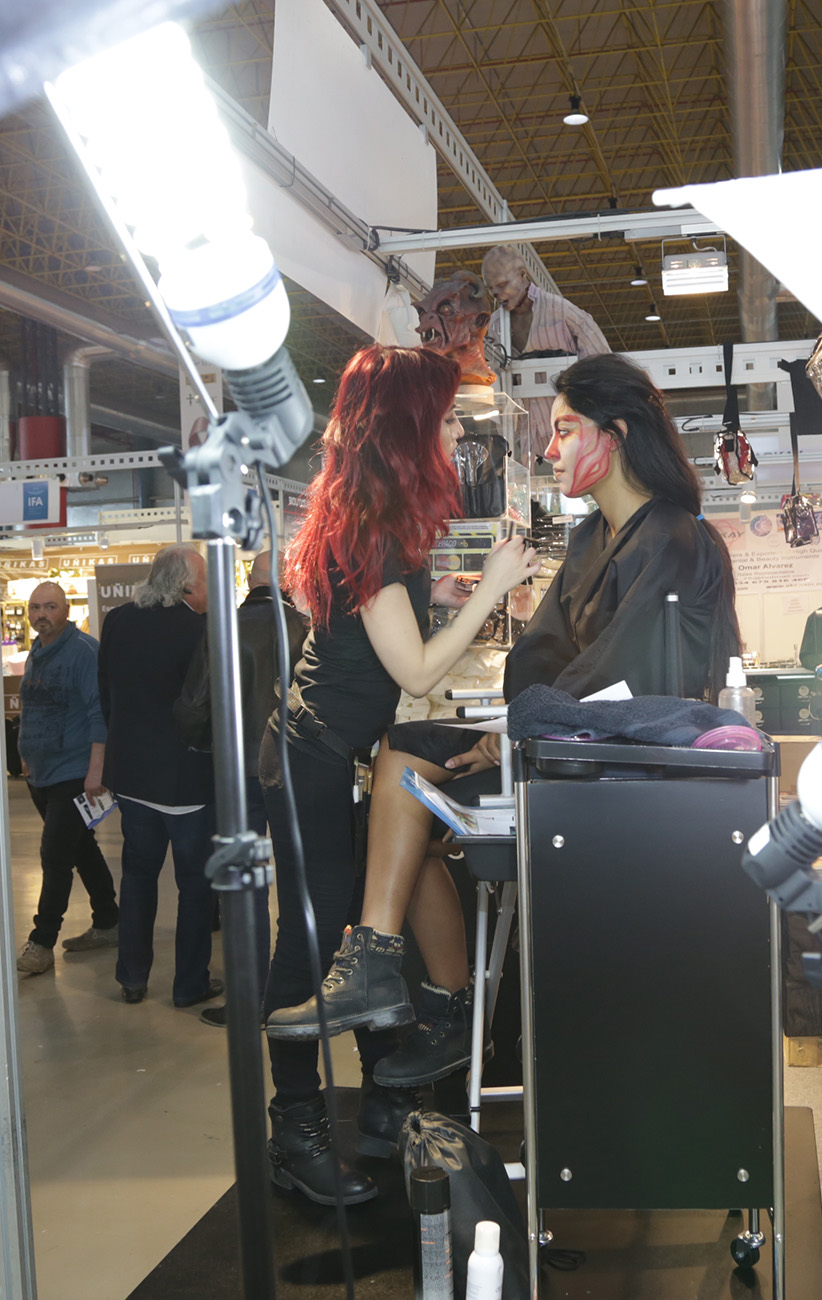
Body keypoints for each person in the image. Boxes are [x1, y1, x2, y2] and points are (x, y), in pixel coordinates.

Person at [268, 351, 738, 1095]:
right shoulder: (585, 540)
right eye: (447, 420)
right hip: (526, 740)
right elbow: (540, 656)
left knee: (400, 785)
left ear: (614, 435)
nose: (548, 450)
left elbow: (626, 677)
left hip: (621, 765)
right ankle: (420, 993)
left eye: (564, 430)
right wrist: (515, 715)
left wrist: (517, 726)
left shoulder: (674, 540)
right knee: (404, 764)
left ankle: (424, 997)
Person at [256, 344, 539, 1206]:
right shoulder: (375, 527)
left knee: (360, 951)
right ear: (409, 424)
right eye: (446, 419)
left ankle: (382, 1107)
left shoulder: (372, 514)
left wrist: (434, 596)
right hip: (311, 759)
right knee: (312, 948)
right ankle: (296, 1132)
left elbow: (367, 626)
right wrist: (490, 589)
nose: (455, 434)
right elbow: (414, 671)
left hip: (331, 752)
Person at [176, 558, 312, 1028]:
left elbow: (195, 703)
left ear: (248, 582)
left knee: (247, 884)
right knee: (299, 881)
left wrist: (201, 743)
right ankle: (297, 992)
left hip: (238, 768)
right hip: (298, 765)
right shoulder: (308, 629)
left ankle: (252, 998)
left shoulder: (223, 627)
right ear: (291, 582)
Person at [97, 545, 221, 1008]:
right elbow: (206, 708)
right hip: (186, 779)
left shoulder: (118, 621)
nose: (208, 589)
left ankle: (132, 977)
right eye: (205, 580)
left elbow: (105, 693)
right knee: (195, 887)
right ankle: (189, 984)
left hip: (132, 776)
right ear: (187, 586)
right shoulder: (201, 632)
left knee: (137, 877)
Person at [14, 580, 120, 975]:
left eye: (50, 607)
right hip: (41, 772)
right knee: (80, 848)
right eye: (35, 607)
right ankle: (109, 921)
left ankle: (42, 942)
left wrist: (97, 769)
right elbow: (32, 706)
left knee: (55, 855)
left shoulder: (84, 652)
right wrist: (25, 752)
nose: (41, 614)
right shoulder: (36, 652)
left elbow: (99, 712)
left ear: (66, 611)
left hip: (75, 772)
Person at [481, 244, 611, 460]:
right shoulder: (494, 326)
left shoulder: (561, 311)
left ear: (522, 274)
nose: (497, 295)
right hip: (529, 449)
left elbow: (604, 365)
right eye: (491, 289)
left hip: (578, 442)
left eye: (502, 285)